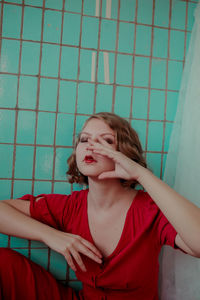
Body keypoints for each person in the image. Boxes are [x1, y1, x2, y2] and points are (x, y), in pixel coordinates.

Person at [0, 112, 200, 300]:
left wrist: (141, 174)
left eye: (106, 140)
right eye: (84, 139)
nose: (90, 146)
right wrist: (50, 235)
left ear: (124, 154)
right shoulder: (70, 206)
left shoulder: (149, 210)